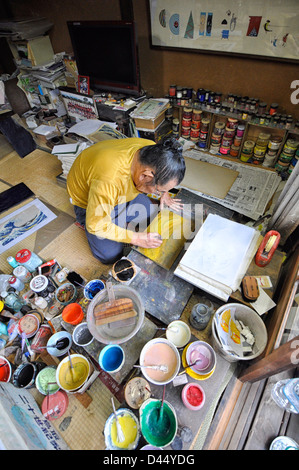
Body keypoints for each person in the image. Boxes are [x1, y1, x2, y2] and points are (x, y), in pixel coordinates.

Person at [67, 136, 185, 264]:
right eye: (159, 191)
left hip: (116, 192)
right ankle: (85, 220)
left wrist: (165, 192)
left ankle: (120, 221)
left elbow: (166, 175)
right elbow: (96, 225)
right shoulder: (109, 179)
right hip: (90, 201)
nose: (160, 193)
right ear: (144, 176)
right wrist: (136, 238)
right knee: (110, 255)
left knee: (149, 213)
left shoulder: (155, 153)